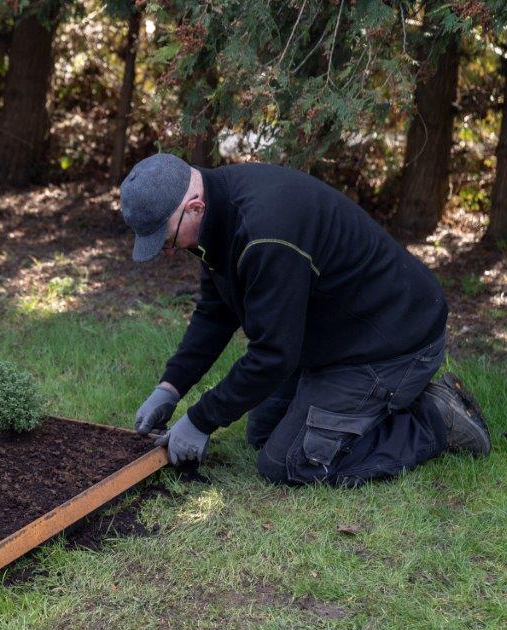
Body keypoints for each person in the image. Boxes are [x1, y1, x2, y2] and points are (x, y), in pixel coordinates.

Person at [118, 153, 490, 485]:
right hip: (339, 335)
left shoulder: (265, 234)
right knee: (263, 431)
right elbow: (216, 313)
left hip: (392, 340)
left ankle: (434, 417)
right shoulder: (216, 213)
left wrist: (200, 420)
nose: (169, 252)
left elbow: (274, 355)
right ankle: (367, 411)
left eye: (167, 240)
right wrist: (170, 387)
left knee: (287, 462)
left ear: (194, 206)